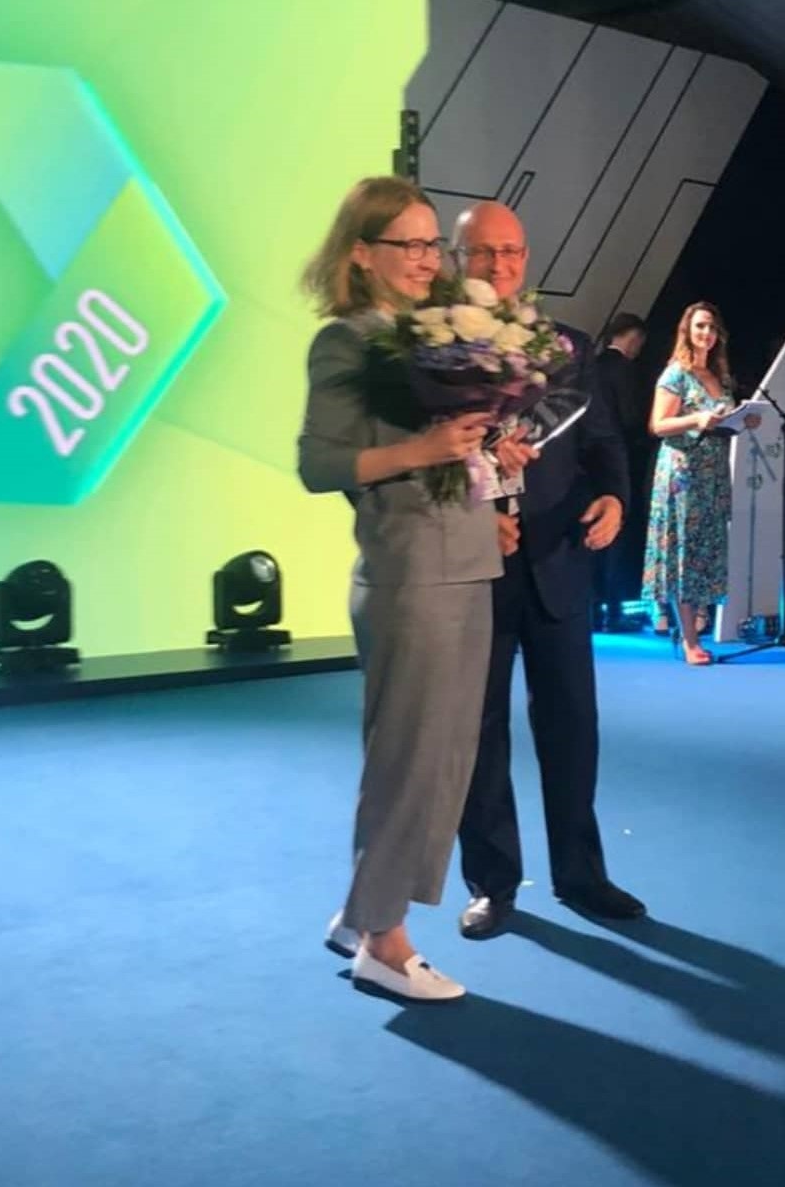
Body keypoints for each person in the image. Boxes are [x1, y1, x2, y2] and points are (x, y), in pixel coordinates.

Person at [297, 176, 512, 1003]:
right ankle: (383, 944)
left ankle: (365, 909)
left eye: (432, 243)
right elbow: (319, 464)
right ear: (362, 252)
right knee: (409, 760)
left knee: (444, 758)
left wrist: (488, 461)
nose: (428, 258)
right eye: (409, 243)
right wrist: (424, 450)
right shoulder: (347, 341)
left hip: (468, 560)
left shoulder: (438, 333)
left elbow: (449, 453)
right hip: (409, 572)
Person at [452, 200, 646, 940]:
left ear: (527, 259)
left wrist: (614, 498)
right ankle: (492, 883)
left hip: (560, 563)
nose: (499, 265)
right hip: (471, 570)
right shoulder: (432, 348)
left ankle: (582, 874)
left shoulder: (567, 346)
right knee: (478, 735)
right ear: (457, 260)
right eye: (483, 253)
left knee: (572, 728)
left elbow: (604, 442)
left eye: (511, 252)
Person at [643, 301, 758, 667]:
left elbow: (720, 423)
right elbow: (658, 425)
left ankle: (696, 627)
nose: (706, 333)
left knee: (705, 552)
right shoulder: (676, 373)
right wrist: (696, 419)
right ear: (687, 331)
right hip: (683, 473)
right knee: (684, 554)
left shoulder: (719, 376)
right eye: (699, 326)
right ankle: (689, 639)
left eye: (711, 327)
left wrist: (741, 422)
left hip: (713, 474)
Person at [593, 312, 649, 632]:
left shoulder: (592, 365)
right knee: (617, 534)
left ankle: (593, 611)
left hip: (589, 462)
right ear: (633, 337)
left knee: (593, 534)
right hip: (619, 459)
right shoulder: (623, 370)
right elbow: (629, 417)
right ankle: (614, 611)